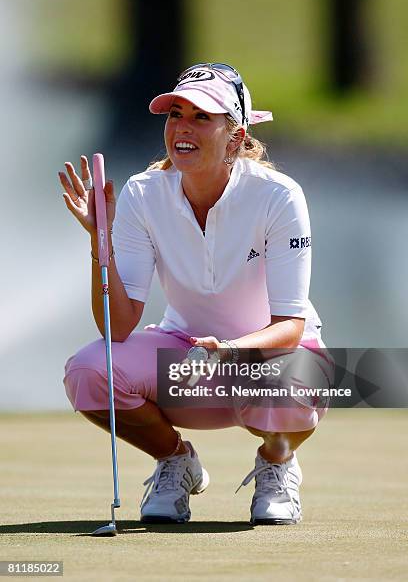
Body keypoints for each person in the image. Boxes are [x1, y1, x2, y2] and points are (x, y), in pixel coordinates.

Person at [59, 63, 331, 525]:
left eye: (202, 116)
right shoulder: (144, 194)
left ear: (235, 135)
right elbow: (118, 326)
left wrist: (230, 350)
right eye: (175, 114)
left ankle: (277, 463)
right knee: (89, 371)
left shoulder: (279, 196)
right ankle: (176, 461)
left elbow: (291, 326)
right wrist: (98, 241)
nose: (182, 127)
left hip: (270, 359)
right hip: (188, 363)